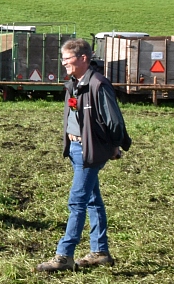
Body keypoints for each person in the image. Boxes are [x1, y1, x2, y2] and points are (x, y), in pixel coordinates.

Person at [36, 38, 132, 272]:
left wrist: (115, 145)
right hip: (76, 150)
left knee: (77, 202)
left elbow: (114, 121)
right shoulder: (74, 83)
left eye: (67, 59)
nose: (63, 63)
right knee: (91, 200)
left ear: (83, 59)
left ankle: (64, 256)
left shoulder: (98, 84)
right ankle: (100, 252)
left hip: (91, 151)